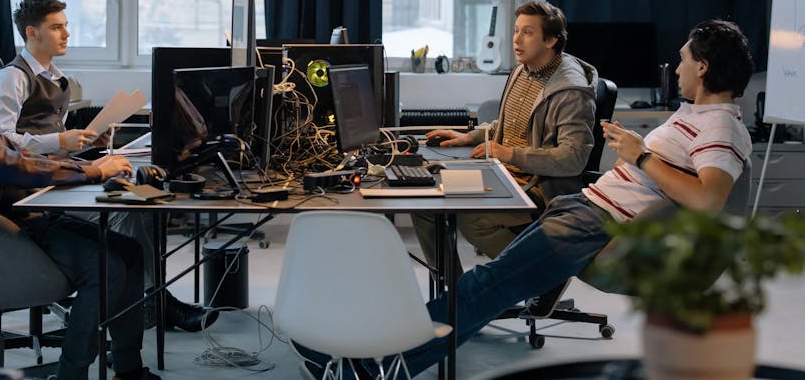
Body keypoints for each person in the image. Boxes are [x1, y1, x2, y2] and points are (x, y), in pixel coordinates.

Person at [297, 19, 755, 379]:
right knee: (490, 286)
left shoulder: (721, 127)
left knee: (487, 286)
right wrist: (639, 153)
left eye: (683, 60)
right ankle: (373, 350)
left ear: (703, 67)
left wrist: (641, 155)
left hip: (595, 223)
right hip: (585, 209)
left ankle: (376, 364)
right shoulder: (697, 115)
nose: (676, 68)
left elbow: (708, 200)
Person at [0, 19, 158, 380]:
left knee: (129, 251)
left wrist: (83, 165)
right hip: (1, 236)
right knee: (107, 267)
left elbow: (10, 152)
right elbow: (14, 167)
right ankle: (72, 374)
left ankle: (128, 369)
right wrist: (92, 173)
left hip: (18, 218)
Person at [0, 0, 214, 332]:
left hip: (58, 175)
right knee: (130, 210)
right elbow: (0, 141)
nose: (66, 34)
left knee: (143, 198)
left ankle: (150, 301)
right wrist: (61, 141)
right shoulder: (10, 79)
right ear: (32, 33)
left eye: (66, 26)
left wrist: (84, 140)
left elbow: (51, 137)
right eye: (57, 27)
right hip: (33, 192)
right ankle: (152, 305)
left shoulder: (56, 77)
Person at [413, 0, 598, 274]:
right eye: (515, 30)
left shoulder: (571, 91)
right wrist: (470, 136)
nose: (516, 40)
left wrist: (509, 154)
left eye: (527, 32)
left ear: (551, 40)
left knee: (472, 220)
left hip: (538, 187)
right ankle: (457, 295)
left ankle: (541, 275)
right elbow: (514, 126)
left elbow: (573, 159)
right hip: (504, 173)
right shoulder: (524, 70)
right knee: (425, 205)